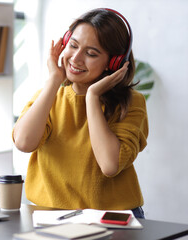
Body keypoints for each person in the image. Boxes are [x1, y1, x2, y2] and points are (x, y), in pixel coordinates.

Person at [12, 8, 148, 219]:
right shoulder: (49, 96)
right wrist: (54, 81)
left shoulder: (132, 103)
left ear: (113, 63)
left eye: (91, 53)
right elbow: (23, 142)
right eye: (73, 45)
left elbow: (110, 165)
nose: (76, 58)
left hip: (112, 219)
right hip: (50, 216)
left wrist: (92, 97)